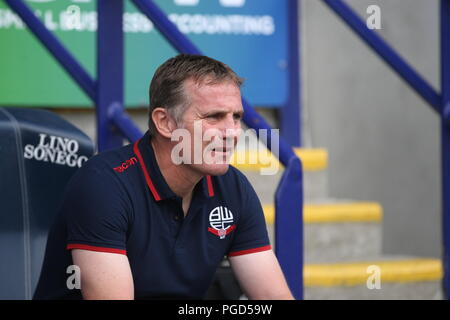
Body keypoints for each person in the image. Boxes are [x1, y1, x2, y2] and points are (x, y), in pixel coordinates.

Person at [33, 54, 294, 300]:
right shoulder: (104, 184)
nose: (232, 132)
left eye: (236, 117)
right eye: (214, 117)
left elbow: (274, 297)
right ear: (165, 122)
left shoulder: (233, 187)